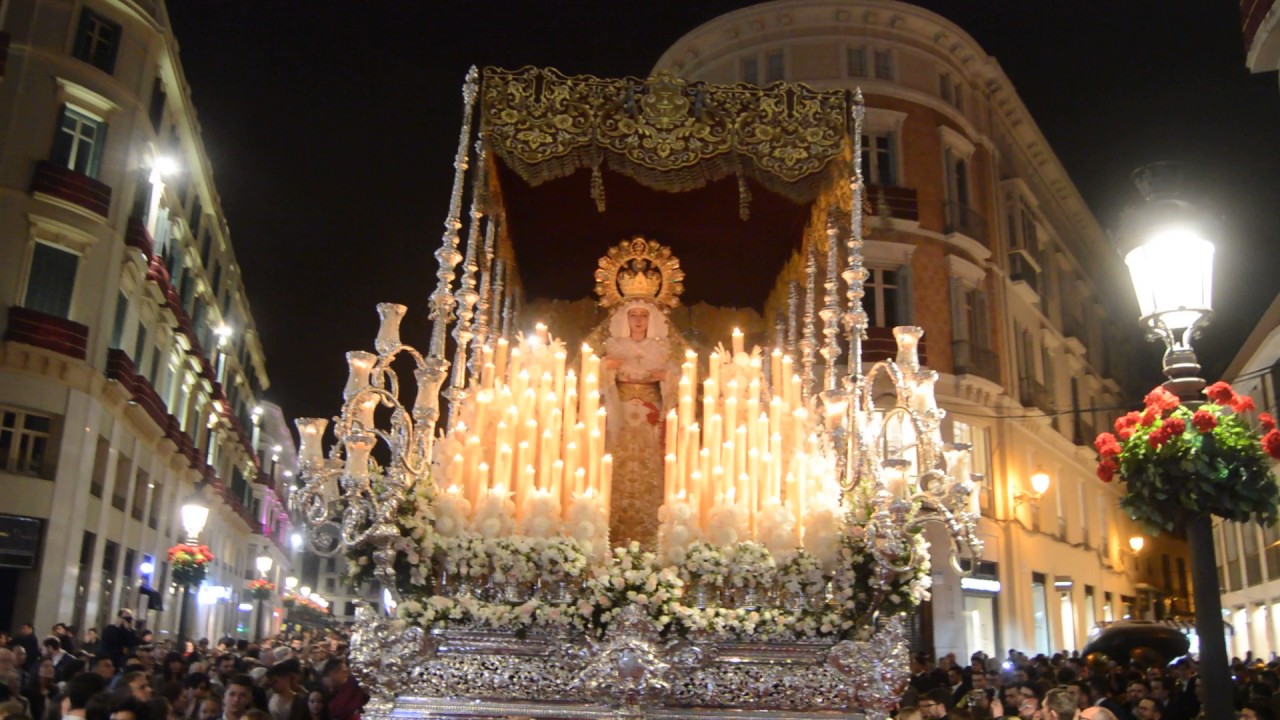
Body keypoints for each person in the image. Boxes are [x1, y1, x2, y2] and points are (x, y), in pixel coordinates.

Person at [600, 300, 678, 547]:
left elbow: (677, 379)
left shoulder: (661, 347)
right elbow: (595, 375)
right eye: (633, 315)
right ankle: (615, 527)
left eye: (643, 315)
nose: (638, 320)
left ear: (650, 319)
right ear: (625, 319)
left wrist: (667, 378)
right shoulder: (615, 346)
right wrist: (607, 369)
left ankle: (648, 529)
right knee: (618, 459)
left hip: (648, 411)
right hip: (620, 409)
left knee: (648, 460)